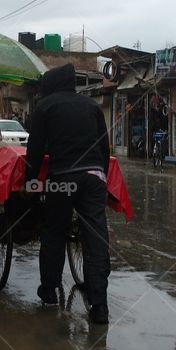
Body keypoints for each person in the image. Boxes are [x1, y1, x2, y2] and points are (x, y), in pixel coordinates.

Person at [25, 64, 112, 325]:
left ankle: (49, 291)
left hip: (63, 180)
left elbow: (35, 150)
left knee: (54, 231)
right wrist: (102, 177)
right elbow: (104, 148)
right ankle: (99, 306)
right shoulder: (92, 107)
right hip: (95, 177)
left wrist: (29, 183)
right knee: (96, 239)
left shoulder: (45, 107)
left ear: (49, 85)